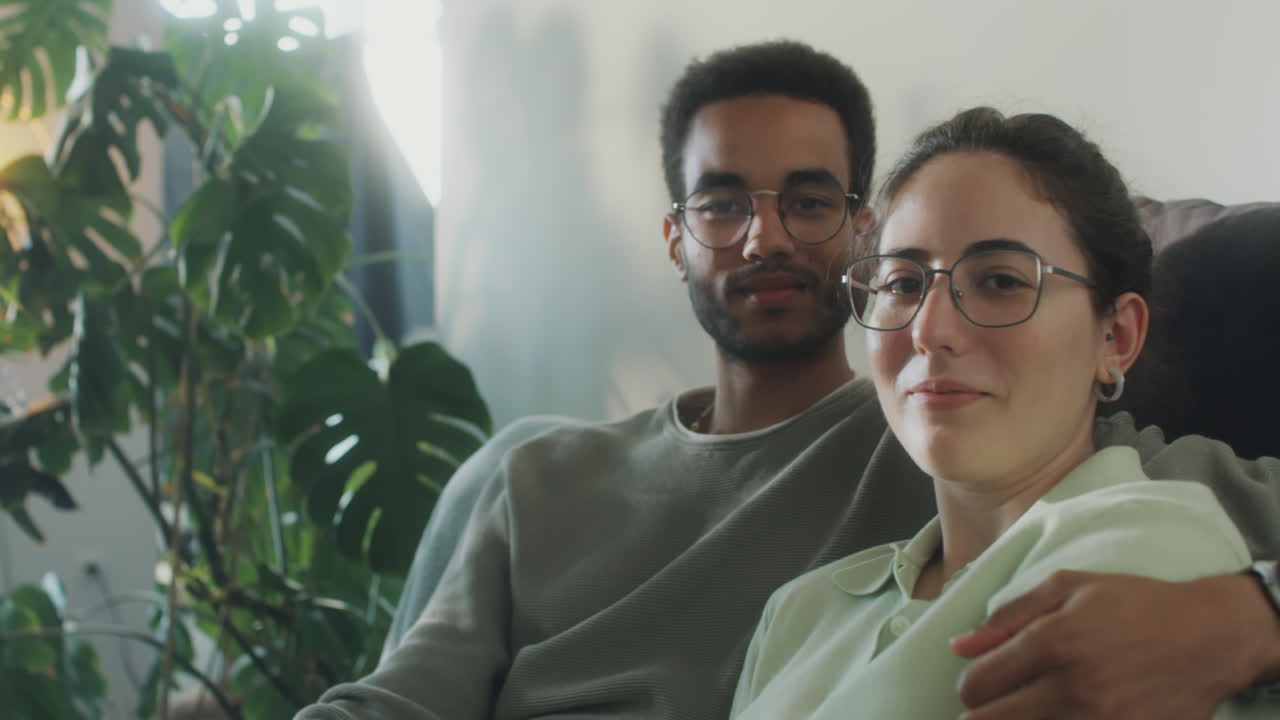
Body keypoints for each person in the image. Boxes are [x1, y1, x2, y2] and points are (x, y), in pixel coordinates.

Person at [296, 41, 1280, 720]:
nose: (764, 234)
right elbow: (397, 699)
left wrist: (1244, 613)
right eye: (722, 204)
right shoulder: (538, 477)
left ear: (857, 229)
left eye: (807, 199)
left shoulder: (981, 440)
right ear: (676, 238)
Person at [729, 106, 1276, 719]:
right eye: (904, 284)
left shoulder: (1151, 558)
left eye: (1001, 281)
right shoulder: (800, 612)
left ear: (1115, 337)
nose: (930, 331)